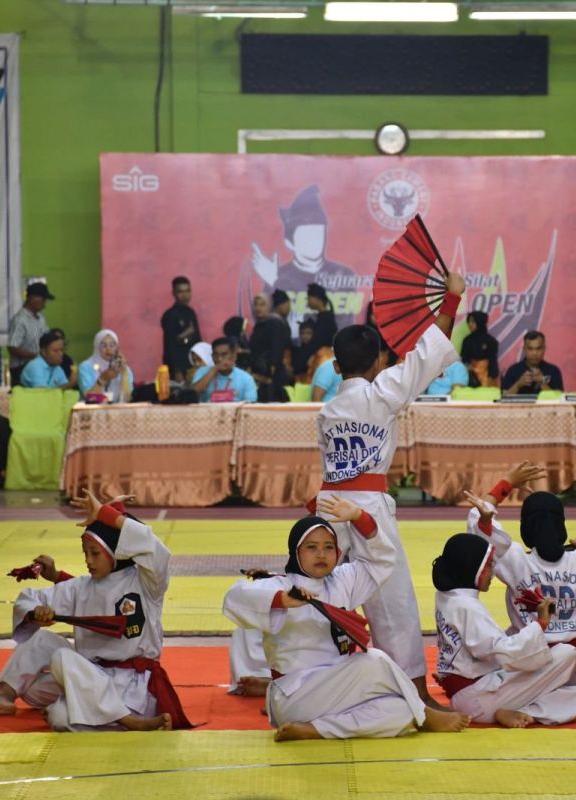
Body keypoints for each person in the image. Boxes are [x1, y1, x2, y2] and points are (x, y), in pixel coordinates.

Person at [313, 268, 467, 709]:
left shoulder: (327, 411)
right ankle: (414, 693)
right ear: (380, 360)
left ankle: (314, 680)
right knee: (393, 601)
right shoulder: (382, 394)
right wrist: (451, 299)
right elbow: (428, 352)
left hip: (328, 507)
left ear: (336, 367)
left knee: (323, 591)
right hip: (368, 513)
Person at [223, 499, 470, 741]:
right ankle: (425, 715)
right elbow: (234, 598)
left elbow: (382, 561)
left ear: (338, 552)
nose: (321, 554)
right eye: (311, 547)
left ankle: (315, 729)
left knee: (401, 712)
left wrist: (360, 517)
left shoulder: (342, 580)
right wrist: (282, 600)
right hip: (295, 697)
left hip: (337, 694)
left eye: (329, 547)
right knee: (376, 659)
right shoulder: (279, 584)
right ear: (295, 552)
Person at [0, 492, 190, 731]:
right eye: (85, 553)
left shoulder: (146, 583)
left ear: (116, 551)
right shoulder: (82, 587)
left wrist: (105, 514)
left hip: (129, 686)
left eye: (95, 553)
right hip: (87, 676)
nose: (88, 561)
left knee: (59, 713)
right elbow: (29, 598)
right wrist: (36, 612)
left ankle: (127, 719)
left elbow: (153, 547)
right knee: (38, 658)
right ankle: (5, 697)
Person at [462, 464, 576, 702]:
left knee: (486, 656)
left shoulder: (515, 559)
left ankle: (560, 688)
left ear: (526, 529)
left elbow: (479, 520)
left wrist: (506, 483)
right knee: (570, 695)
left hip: (525, 657)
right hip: (574, 659)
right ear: (562, 526)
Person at [433, 532, 576, 728]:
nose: (493, 572)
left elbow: (486, 646)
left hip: (469, 694)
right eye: (488, 565)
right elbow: (505, 653)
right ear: (471, 567)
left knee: (572, 694)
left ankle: (519, 709)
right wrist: (540, 624)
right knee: (567, 653)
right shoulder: (466, 606)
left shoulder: (445, 596)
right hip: (480, 700)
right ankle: (526, 711)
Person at [250, 185, 358, 330]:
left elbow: (342, 322)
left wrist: (276, 281)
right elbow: (269, 319)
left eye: (319, 234)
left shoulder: (343, 273)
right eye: (306, 236)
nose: (315, 242)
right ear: (290, 242)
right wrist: (274, 282)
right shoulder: (280, 274)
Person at [251, 290, 294, 403]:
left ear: (269, 306)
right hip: (260, 373)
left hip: (273, 374)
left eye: (262, 304)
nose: (258, 308)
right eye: (256, 304)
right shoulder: (259, 325)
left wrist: (271, 369)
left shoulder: (274, 323)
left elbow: (277, 348)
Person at [7, 282, 53, 385]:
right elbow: (12, 347)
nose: (45, 303)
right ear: (32, 298)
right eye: (43, 299)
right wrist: (35, 356)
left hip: (40, 366)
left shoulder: (40, 318)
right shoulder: (20, 320)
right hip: (21, 368)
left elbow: (47, 339)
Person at [190, 338, 258, 403]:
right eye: (216, 355)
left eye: (224, 354)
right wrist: (214, 370)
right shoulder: (202, 371)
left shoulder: (246, 378)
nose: (219, 359)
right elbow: (193, 393)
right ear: (212, 356)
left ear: (234, 356)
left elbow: (250, 406)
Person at [161, 277, 201, 383]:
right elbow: (170, 346)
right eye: (180, 292)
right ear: (173, 293)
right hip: (178, 368)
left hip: (193, 365)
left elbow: (198, 341)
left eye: (187, 291)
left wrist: (201, 364)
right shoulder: (170, 315)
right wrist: (177, 370)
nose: (185, 295)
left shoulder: (191, 312)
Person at [78, 329, 134, 403]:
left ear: (117, 348)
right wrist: (103, 379)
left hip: (118, 412)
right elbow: (89, 398)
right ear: (97, 348)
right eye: (103, 346)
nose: (108, 349)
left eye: (112, 345)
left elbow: (128, 399)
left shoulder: (123, 368)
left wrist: (124, 373)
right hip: (93, 412)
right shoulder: (85, 367)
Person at [501, 331, 563, 395]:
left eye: (538, 349)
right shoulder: (513, 370)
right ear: (524, 349)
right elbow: (503, 398)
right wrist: (518, 384)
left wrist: (542, 383)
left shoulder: (553, 371)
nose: (534, 353)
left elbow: (560, 399)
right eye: (530, 349)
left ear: (544, 349)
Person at [460, 311, 499, 388]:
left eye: (473, 321)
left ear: (480, 322)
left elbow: (493, 361)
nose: (470, 324)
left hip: (487, 376)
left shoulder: (491, 341)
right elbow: (464, 359)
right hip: (470, 375)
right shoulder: (467, 340)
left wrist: (491, 377)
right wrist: (469, 369)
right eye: (469, 321)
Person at [306, 283, 338, 352]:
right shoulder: (324, 317)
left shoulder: (326, 319)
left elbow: (318, 342)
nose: (307, 301)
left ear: (318, 299)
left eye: (309, 298)